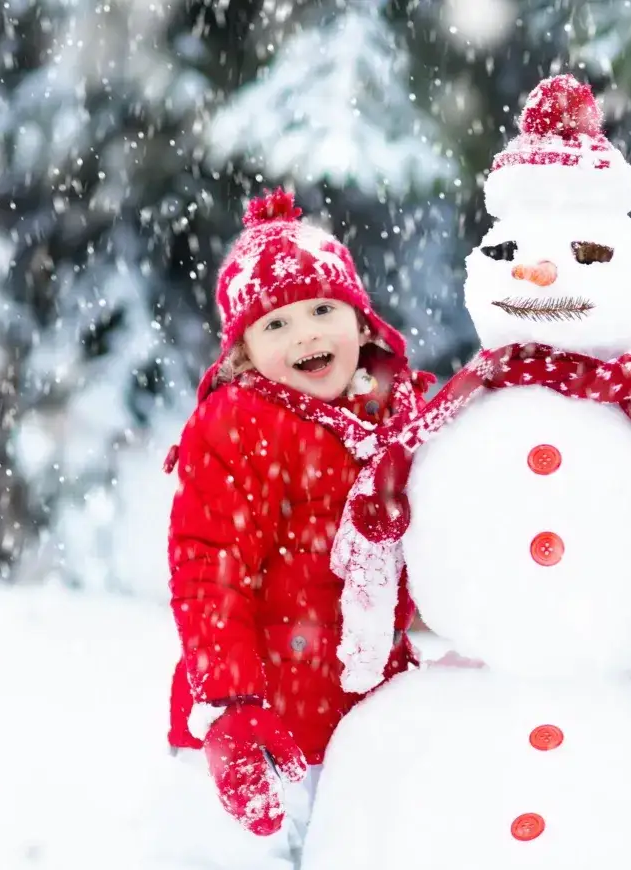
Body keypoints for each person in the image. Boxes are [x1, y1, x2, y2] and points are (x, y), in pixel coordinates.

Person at [149, 188, 431, 868]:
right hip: (259, 731)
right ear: (242, 350)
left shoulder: (394, 415)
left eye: (323, 311)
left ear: (360, 323)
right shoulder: (237, 423)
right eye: (275, 325)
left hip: (360, 728)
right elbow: (208, 571)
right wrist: (233, 707)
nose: (305, 334)